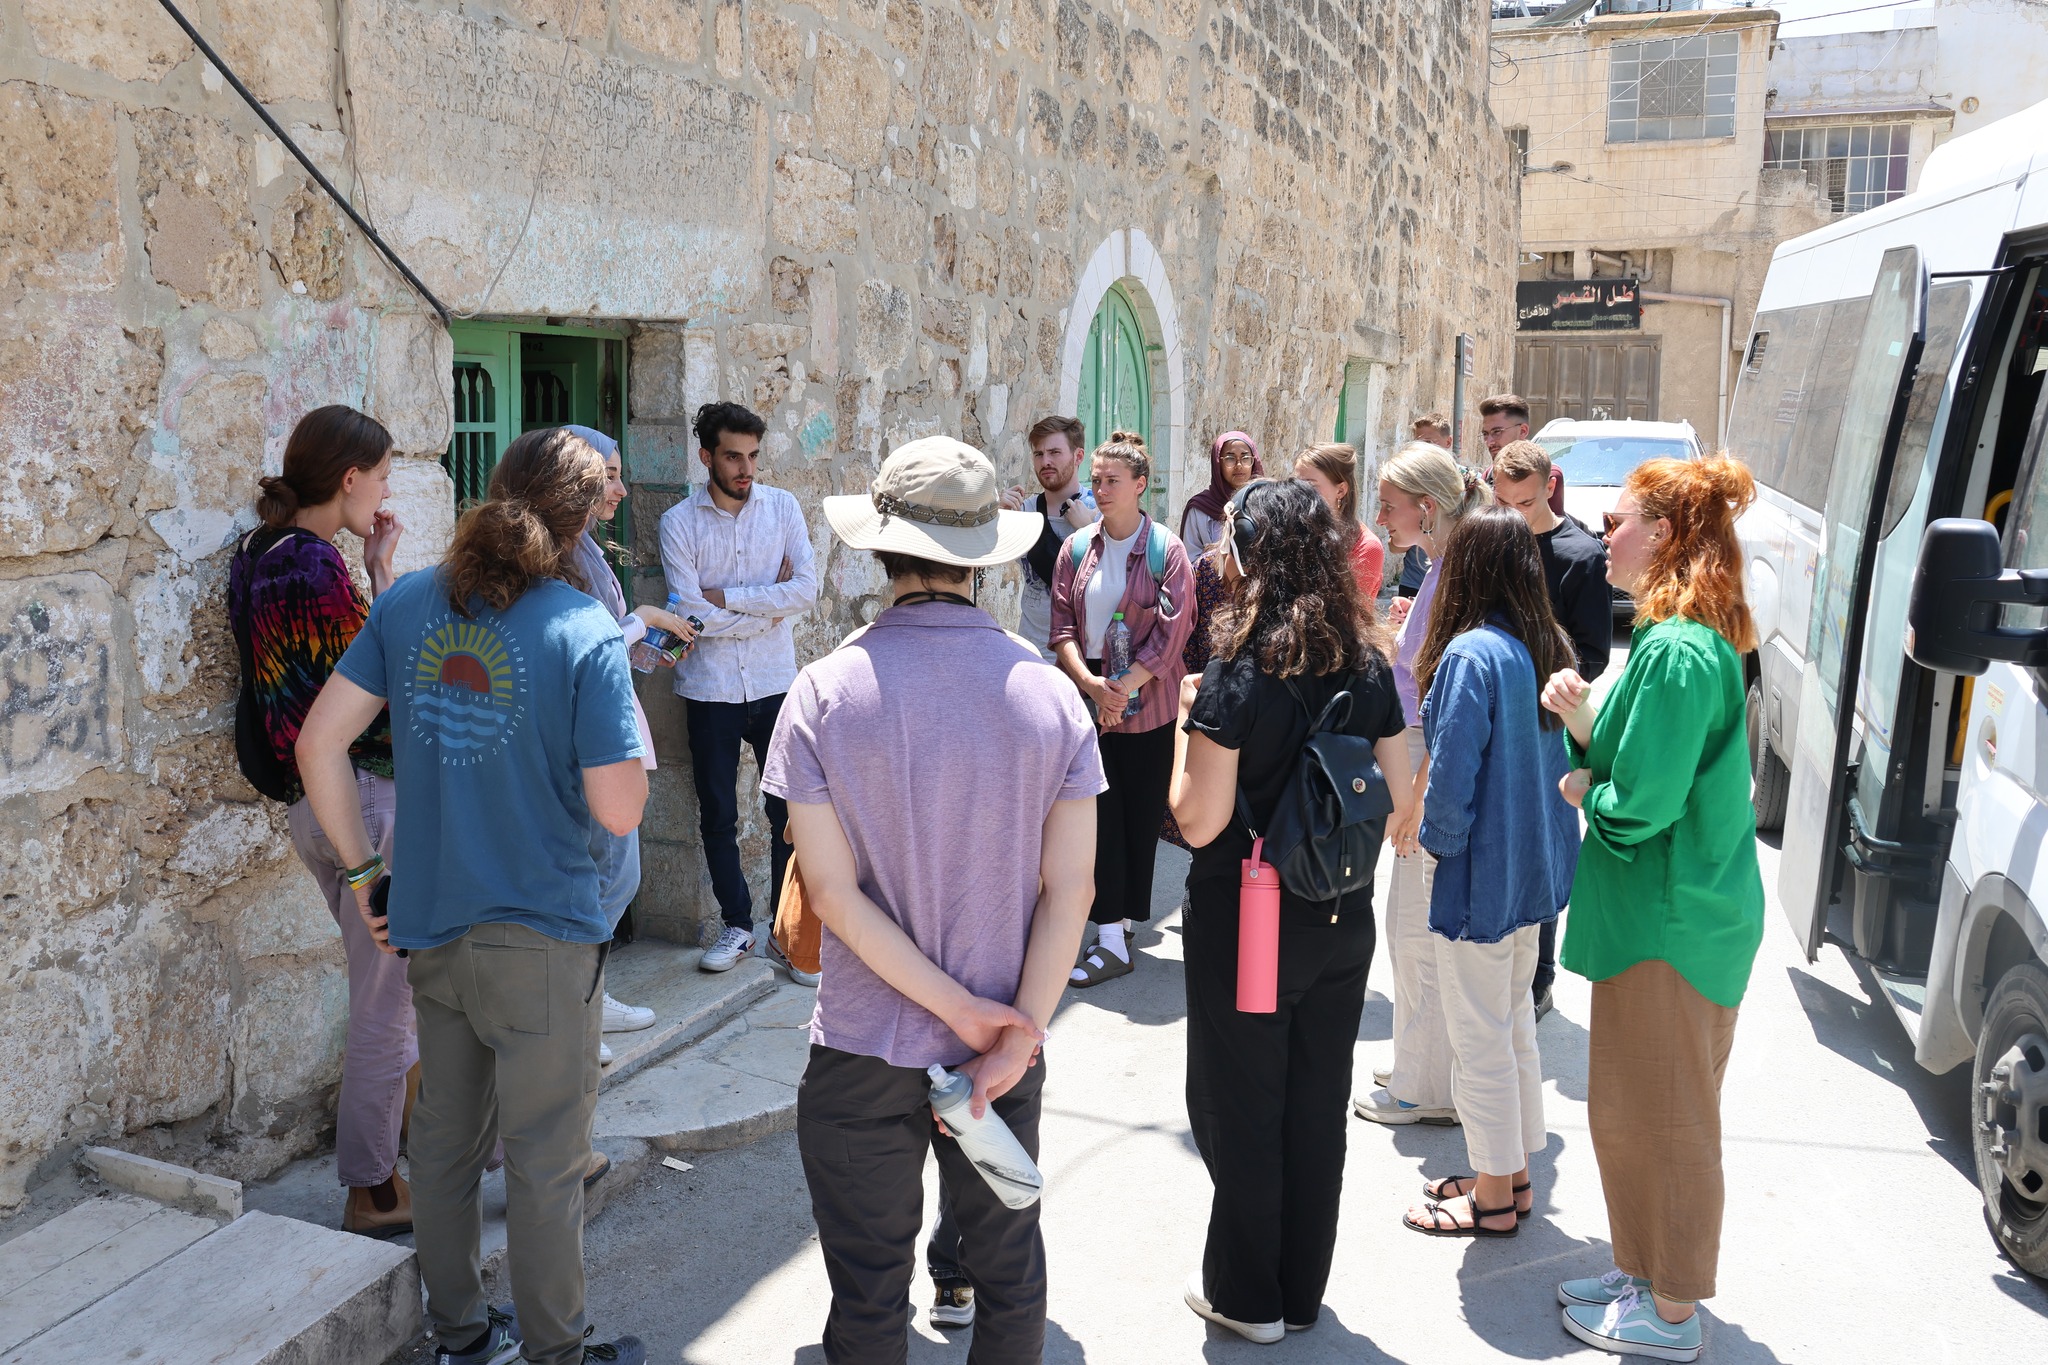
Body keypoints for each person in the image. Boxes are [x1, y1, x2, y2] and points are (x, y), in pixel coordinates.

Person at [297, 427, 649, 1365]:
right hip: (544, 933)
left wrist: (365, 869)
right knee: (543, 1160)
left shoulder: (409, 601)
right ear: (579, 526)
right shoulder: (584, 629)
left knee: (444, 1151)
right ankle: (556, 1353)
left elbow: (316, 743)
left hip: (432, 925)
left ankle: (460, 1335)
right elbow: (619, 810)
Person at [764, 435, 1102, 1365]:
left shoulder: (824, 692)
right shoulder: (1051, 696)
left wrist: (959, 1010)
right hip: (1002, 1053)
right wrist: (1015, 1029)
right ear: (986, 556)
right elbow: (1071, 887)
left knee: (868, 1298)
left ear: (882, 548)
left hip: (862, 1051)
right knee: (1008, 1275)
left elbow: (830, 895)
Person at [1168, 479, 1412, 1342]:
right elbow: (1403, 792)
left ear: (1253, 554)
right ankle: (1300, 1290)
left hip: (1251, 913)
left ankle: (1249, 1297)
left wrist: (1184, 729)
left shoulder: (1239, 671)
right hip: (1340, 912)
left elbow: (1198, 818)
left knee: (1241, 1099)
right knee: (1315, 1099)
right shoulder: (1367, 659)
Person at [1541, 457, 1765, 1363]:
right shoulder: (1684, 635)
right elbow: (1646, 760)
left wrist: (1585, 793)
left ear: (1665, 535)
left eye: (1620, 519)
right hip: (1669, 916)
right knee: (1636, 1111)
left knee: (1667, 1120)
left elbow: (1645, 801)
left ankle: (1671, 1309)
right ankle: (1641, 1272)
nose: (1604, 533)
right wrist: (1590, 729)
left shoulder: (1676, 646)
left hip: (1671, 921)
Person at [226, 404, 413, 1239]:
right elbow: (385, 681)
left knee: (400, 988)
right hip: (363, 800)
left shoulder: (263, 554)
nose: (385, 489)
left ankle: (467, 1151)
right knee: (391, 999)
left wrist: (373, 566)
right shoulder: (309, 566)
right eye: (380, 475)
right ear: (348, 478)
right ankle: (372, 1187)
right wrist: (382, 582)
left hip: (320, 806)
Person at [1398, 507, 1579, 1239]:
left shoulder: (1472, 654)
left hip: (1481, 874)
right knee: (1511, 1030)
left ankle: (1494, 1198)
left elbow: (1451, 781)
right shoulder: (1544, 643)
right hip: (1530, 873)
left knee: (1480, 1037)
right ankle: (1513, 1175)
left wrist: (1432, 848)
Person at [1353, 442, 1490, 1126]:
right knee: (1408, 923)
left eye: (1389, 505)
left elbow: (1447, 700)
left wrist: (1416, 797)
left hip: (1425, 762)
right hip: (1416, 756)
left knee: (1416, 927)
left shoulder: (1454, 574)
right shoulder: (1442, 568)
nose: (1381, 516)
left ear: (1427, 508)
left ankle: (1424, 1084)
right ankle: (1418, 1062)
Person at [562, 427, 709, 1055]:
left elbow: (603, 645)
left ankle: (586, 997)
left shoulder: (584, 547)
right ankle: (575, 1007)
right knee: (609, 872)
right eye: (612, 475)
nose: (623, 489)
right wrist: (644, 620)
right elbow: (577, 648)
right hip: (584, 738)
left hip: (605, 726)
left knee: (614, 871)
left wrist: (645, 645)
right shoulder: (563, 556)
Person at [658, 401, 818, 973]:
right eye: (733, 456)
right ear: (707, 456)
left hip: (775, 685)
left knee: (789, 812)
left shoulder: (783, 508)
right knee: (718, 815)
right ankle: (736, 925)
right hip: (710, 691)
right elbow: (690, 618)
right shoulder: (678, 523)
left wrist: (729, 597)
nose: (746, 468)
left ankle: (785, 930)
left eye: (752, 456)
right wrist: (764, 605)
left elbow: (806, 587)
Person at [1050, 432, 1196, 985]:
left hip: (1150, 705)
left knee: (1137, 821)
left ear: (1140, 486)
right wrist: (1092, 686)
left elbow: (1172, 635)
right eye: (1097, 480)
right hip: (1090, 704)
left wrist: (1122, 692)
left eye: (1112, 481)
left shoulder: (1166, 551)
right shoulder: (1075, 548)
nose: (1100, 489)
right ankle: (1110, 936)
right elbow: (1062, 625)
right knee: (1098, 822)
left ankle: (1122, 926)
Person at [1493, 438, 1613, 1018]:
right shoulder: (1495, 538)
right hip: (1498, 714)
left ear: (1548, 489)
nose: (1511, 514)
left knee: (1543, 843)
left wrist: (1539, 670)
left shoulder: (1580, 555)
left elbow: (1594, 653)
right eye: (1502, 501)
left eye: (1523, 503)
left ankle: (1539, 976)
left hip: (1548, 722)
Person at [1002, 415, 1099, 661]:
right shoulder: (1023, 512)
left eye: (1055, 452)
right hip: (1032, 653)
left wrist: (1086, 531)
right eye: (1038, 454)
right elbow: (974, 559)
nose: (1045, 462)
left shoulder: (1099, 512)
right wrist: (997, 516)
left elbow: (1117, 580)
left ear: (1078, 457)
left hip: (1084, 659)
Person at [1294, 442, 1386, 601]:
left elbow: (1349, 613)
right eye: (1297, 484)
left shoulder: (1366, 546)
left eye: (1310, 485)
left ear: (1341, 490)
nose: (1299, 493)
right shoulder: (1295, 532)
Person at [1480, 393, 1569, 520]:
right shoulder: (1489, 474)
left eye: (1497, 432)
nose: (1490, 442)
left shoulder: (1548, 474)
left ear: (1523, 431)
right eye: (1485, 434)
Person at [1179, 431, 1263, 556]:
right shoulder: (1201, 509)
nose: (1238, 465)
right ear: (1218, 464)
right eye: (1230, 459)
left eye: (1245, 458)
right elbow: (1189, 562)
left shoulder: (1264, 503)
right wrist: (1219, 555)